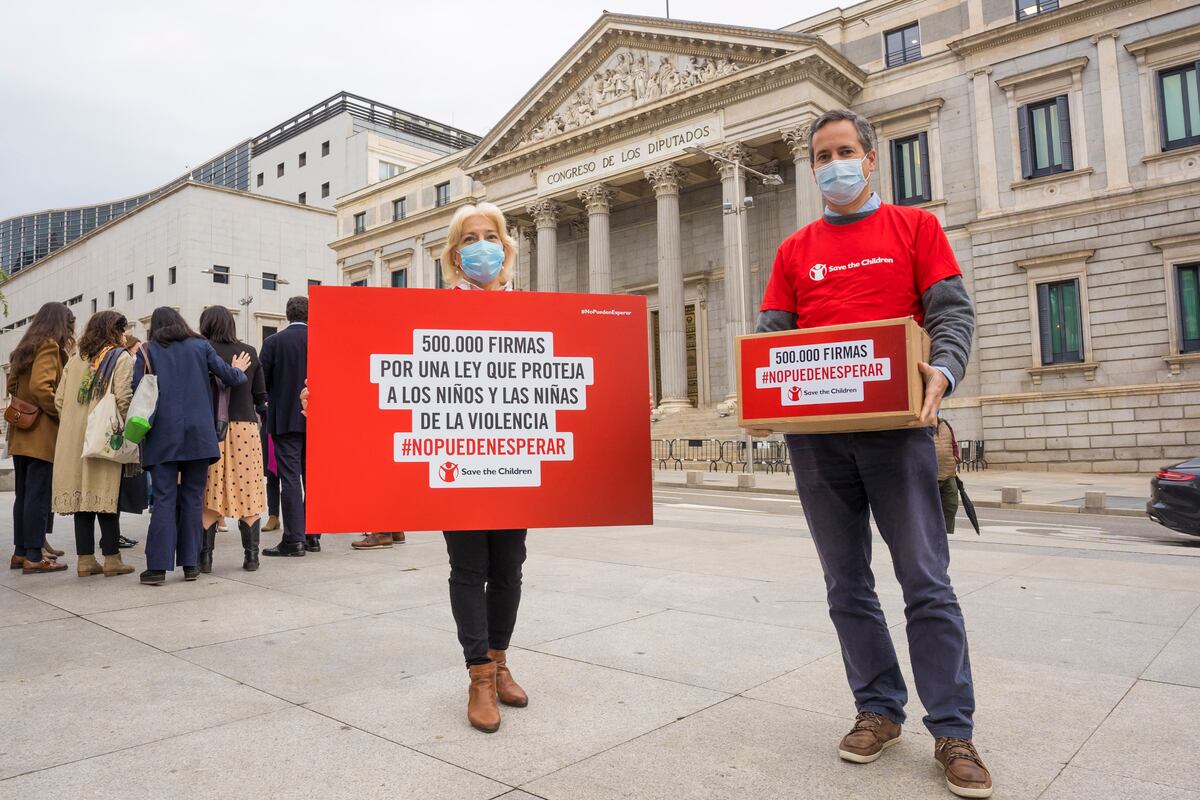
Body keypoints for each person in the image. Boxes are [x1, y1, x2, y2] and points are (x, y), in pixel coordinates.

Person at [750, 109, 989, 798]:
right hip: (819, 444)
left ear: (871, 158)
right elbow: (772, 338)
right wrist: (762, 398)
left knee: (926, 582)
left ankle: (952, 729)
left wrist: (943, 372)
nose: (834, 164)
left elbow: (952, 313)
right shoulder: (795, 250)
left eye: (845, 151)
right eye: (823, 155)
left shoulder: (916, 229)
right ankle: (878, 710)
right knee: (845, 585)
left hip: (899, 434)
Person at [299, 202, 528, 734]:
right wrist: (325, 393)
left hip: (515, 460)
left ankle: (499, 661)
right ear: (454, 253)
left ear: (505, 245)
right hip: (455, 462)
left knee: (510, 568)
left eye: (489, 235)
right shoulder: (434, 307)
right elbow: (382, 367)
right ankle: (478, 677)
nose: (481, 246)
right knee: (470, 569)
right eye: (470, 237)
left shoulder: (529, 308)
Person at [133, 307, 250, 585]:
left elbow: (137, 390)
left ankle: (158, 568)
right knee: (193, 499)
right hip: (200, 435)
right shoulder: (200, 346)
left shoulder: (147, 351)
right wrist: (239, 369)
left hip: (162, 436)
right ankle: (191, 565)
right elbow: (230, 378)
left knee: (163, 499)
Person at [51, 311, 136, 578]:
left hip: (73, 439)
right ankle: (112, 559)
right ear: (115, 331)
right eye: (122, 330)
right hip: (103, 435)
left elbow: (59, 400)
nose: (124, 335)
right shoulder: (120, 357)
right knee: (105, 496)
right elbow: (123, 398)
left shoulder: (76, 359)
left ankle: (85, 560)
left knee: (82, 498)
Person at [199, 306, 269, 572]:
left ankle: (205, 559)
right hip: (245, 428)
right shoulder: (248, 352)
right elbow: (260, 395)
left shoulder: (202, 351)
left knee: (211, 489)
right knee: (249, 488)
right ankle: (251, 557)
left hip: (211, 429)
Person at [8, 302, 74, 574]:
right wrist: (59, 412)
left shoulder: (25, 348)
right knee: (37, 495)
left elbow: (12, 385)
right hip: (41, 433)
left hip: (21, 431)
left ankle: (21, 552)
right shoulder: (48, 346)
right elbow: (41, 386)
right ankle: (35, 556)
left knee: (23, 494)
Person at [260, 296, 311, 557]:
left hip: (284, 421)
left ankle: (294, 539)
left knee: (289, 478)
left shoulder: (273, 342)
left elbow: (261, 382)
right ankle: (312, 534)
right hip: (317, 419)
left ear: (287, 314)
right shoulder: (323, 339)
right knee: (313, 478)